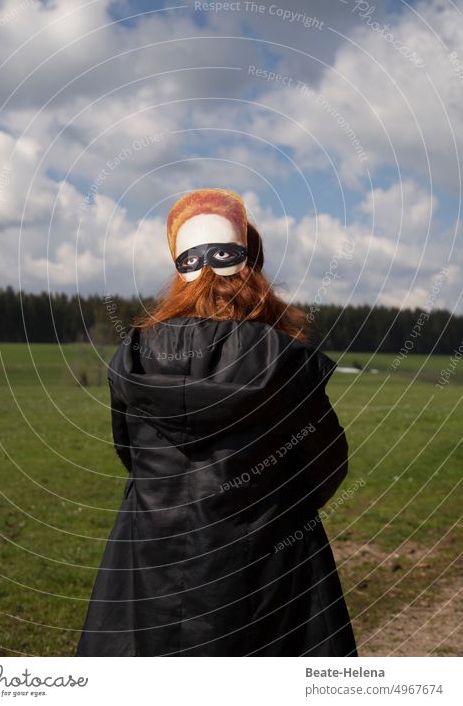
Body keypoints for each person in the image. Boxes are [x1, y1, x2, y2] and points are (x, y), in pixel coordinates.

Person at [76, 187, 358, 657]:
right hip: (269, 565)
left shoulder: (135, 354)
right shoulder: (282, 359)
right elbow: (327, 463)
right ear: (251, 272)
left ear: (180, 275)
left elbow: (129, 453)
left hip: (150, 559)